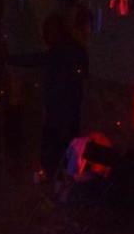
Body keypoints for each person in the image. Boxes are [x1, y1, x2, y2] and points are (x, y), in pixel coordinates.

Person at [9, 10, 89, 179]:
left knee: (59, 146)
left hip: (63, 111)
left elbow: (36, 60)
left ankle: (58, 177)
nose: (45, 37)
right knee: (60, 147)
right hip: (61, 110)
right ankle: (59, 176)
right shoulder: (70, 50)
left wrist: (9, 59)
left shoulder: (64, 51)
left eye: (48, 32)